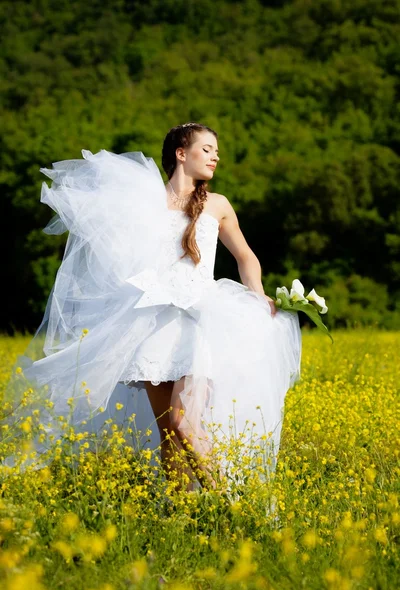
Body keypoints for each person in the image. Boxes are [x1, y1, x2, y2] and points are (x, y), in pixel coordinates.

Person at [4, 123, 302, 491]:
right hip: (153, 324)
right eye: (207, 149)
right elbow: (115, 255)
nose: (215, 156)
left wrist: (257, 294)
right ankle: (178, 510)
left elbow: (245, 257)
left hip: (201, 319)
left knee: (184, 422)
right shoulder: (143, 203)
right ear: (182, 153)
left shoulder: (218, 205)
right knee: (167, 430)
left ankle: (230, 503)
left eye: (216, 151)